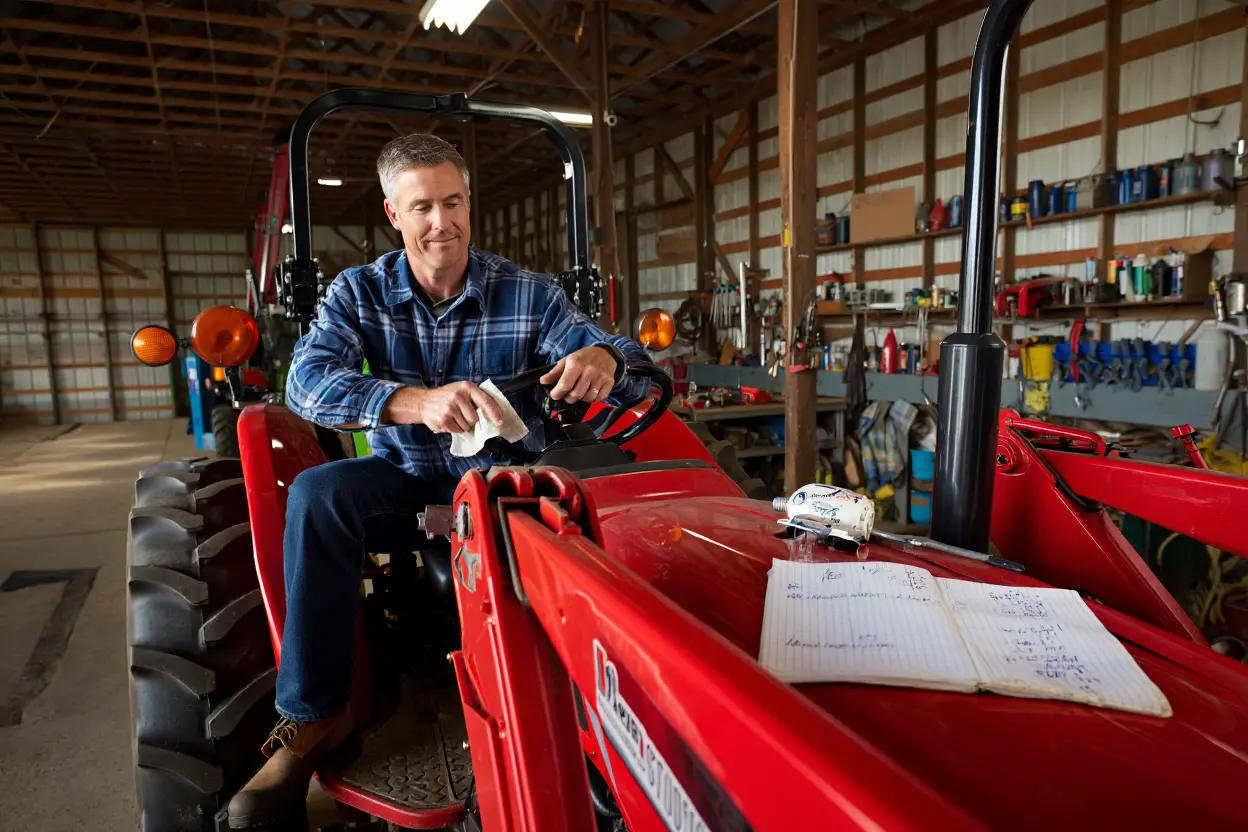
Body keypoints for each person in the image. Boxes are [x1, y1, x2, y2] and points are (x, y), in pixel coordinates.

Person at [228, 133, 650, 827]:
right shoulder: (359, 293)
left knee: (584, 515)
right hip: (403, 476)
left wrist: (603, 358)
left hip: (500, 489)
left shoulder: (529, 293)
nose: (440, 222)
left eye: (453, 202)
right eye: (422, 206)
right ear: (395, 214)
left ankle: (583, 708)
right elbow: (304, 384)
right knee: (315, 496)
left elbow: (623, 355)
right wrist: (411, 402)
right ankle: (313, 715)